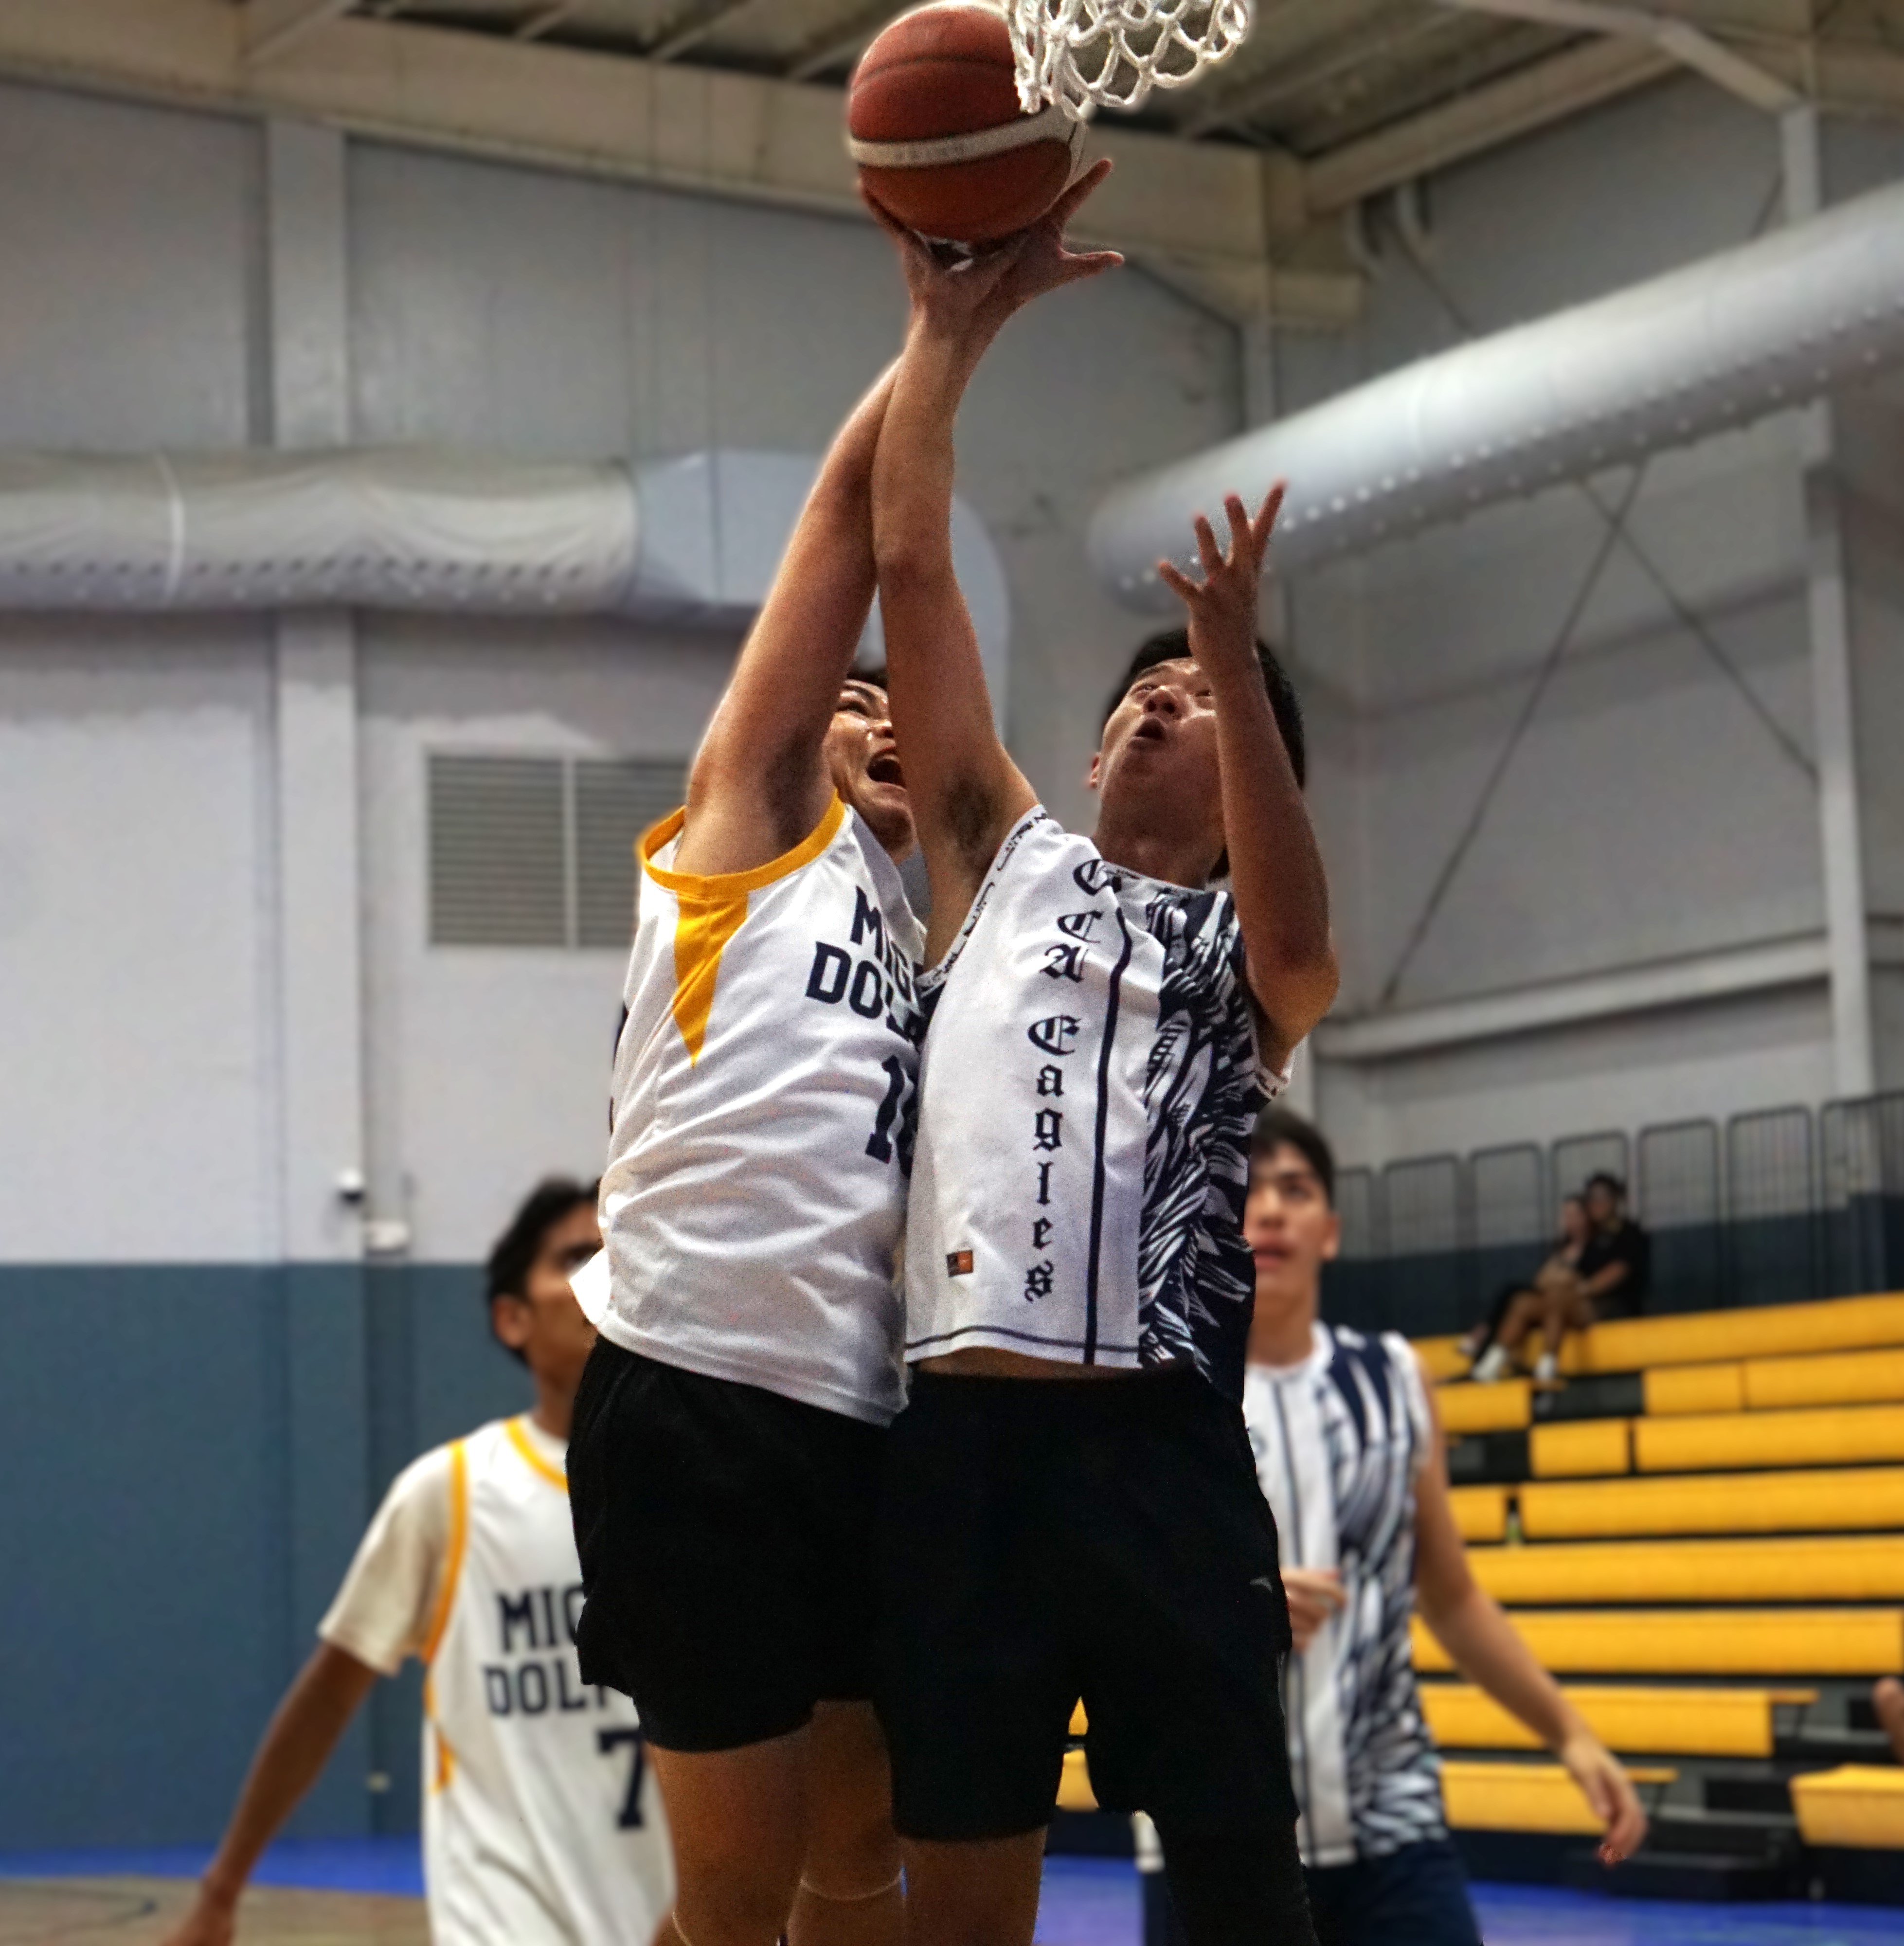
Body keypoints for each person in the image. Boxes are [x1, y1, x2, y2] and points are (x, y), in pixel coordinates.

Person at [863, 162, 1340, 1946]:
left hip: (1160, 1457)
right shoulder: (994, 851)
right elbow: (910, 556)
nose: (1159, 689)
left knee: (1237, 1897)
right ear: (1080, 752)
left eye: (1201, 693)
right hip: (961, 1446)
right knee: (961, 1893)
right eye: (1140, 682)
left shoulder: (1242, 947)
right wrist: (944, 330)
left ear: (1249, 789)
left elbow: (1307, 946)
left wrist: (1236, 644)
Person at [566, 355, 923, 1946]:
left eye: (901, 704)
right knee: (739, 1888)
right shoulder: (745, 835)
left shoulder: (948, 946)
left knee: (866, 1852)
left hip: (872, 1411)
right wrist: (944, 333)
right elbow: (843, 531)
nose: (882, 716)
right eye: (855, 698)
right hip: (704, 1389)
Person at [163, 1180, 673, 1946]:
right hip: (504, 1915)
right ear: (512, 1318)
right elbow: (328, 1698)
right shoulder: (454, 1491)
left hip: (665, 1913)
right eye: (575, 1257)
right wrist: (223, 1887)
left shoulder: (687, 1495)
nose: (603, 1276)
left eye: (615, 1256)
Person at [1238, 1109, 1648, 1945]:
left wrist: (1567, 1734)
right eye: (1246, 1191)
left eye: (1295, 1190)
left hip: (1395, 1827)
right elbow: (1117, 1612)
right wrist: (1233, 1603)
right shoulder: (1168, 1399)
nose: (1270, 1210)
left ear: (1331, 1230)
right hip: (1218, 1834)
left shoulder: (1392, 1378)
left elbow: (1452, 1599)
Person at [1475, 1172, 1650, 1383]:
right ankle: (1493, 1360)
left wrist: (1581, 1290)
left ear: (1615, 1200)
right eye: (1592, 1198)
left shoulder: (1630, 1233)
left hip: (1612, 1306)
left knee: (1559, 1298)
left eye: (1603, 1197)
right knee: (1522, 1302)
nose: (1597, 1204)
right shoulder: (1586, 1239)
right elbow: (1551, 1277)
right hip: (1572, 1302)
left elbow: (1617, 1272)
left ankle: (1548, 1362)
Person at [1456, 1194, 1589, 1366]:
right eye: (1566, 1216)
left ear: (1586, 1216)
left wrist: (1562, 1280)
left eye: (1575, 1215)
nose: (1570, 1220)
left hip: (1572, 1306)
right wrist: (1559, 1279)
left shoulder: (1593, 1247)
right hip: (1547, 1300)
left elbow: (1575, 1281)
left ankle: (1546, 1363)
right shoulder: (1561, 1246)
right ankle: (1489, 1355)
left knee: (1548, 1299)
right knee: (1515, 1296)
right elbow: (1541, 1280)